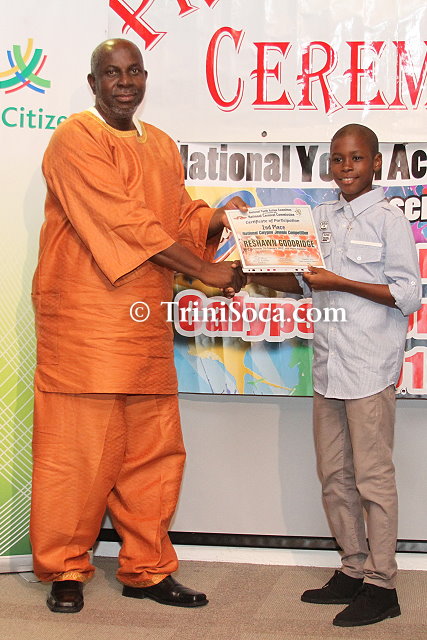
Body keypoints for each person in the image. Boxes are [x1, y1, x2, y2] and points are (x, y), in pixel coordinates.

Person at [30, 38, 247, 614]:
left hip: (145, 323)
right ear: (93, 82)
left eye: (133, 72)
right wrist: (205, 268)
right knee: (76, 457)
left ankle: (146, 568)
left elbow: (175, 216)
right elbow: (123, 222)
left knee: (153, 455)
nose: (124, 83)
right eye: (111, 73)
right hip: (87, 325)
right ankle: (65, 568)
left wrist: (219, 220)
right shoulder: (75, 138)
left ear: (145, 77)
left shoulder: (162, 145)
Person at [249, 124, 421, 627]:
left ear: (376, 163)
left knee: (373, 479)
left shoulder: (389, 219)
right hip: (329, 366)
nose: (346, 168)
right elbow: (305, 282)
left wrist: (341, 282)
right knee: (333, 475)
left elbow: (408, 294)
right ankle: (352, 568)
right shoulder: (321, 218)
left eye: (356, 158)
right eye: (338, 160)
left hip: (369, 365)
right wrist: (249, 270)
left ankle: (382, 586)